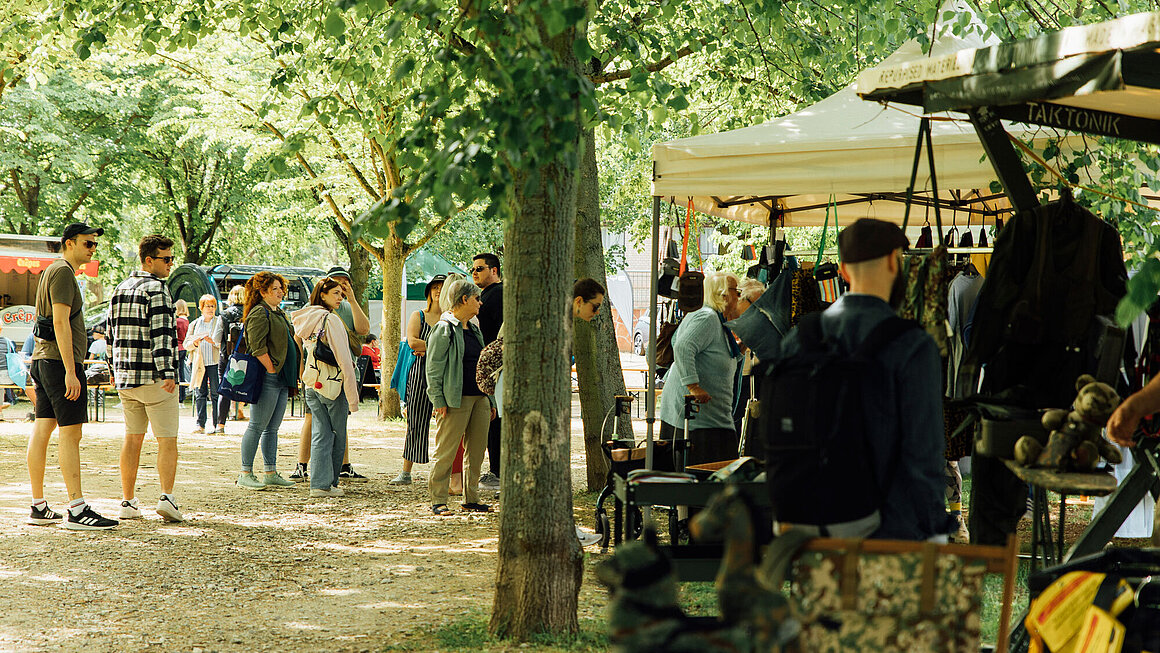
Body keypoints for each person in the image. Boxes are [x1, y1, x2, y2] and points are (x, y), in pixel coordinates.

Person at [776, 218, 952, 541]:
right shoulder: (913, 346)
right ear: (893, 262)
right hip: (891, 536)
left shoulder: (800, 338)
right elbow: (923, 453)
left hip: (811, 531)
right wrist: (934, 529)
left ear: (842, 270)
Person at [26, 222, 117, 530]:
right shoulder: (63, 272)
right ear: (69, 243)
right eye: (88, 243)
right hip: (58, 362)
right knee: (71, 432)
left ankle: (38, 506)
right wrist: (70, 371)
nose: (93, 248)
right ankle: (77, 509)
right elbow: (61, 323)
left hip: (43, 359)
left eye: (94, 244)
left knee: (43, 429)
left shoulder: (52, 271)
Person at [108, 234, 184, 523]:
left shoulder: (120, 288)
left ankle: (127, 502)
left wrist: (114, 371)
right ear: (149, 260)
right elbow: (162, 336)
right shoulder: (158, 291)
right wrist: (169, 373)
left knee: (132, 438)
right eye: (166, 259)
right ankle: (167, 497)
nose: (170, 264)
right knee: (167, 440)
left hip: (127, 378)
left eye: (171, 258)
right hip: (154, 377)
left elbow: (111, 336)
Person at [289, 266, 370, 483]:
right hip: (333, 379)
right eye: (336, 286)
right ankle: (325, 479)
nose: (342, 289)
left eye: (345, 284)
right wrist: (353, 397)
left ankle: (319, 480)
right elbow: (344, 359)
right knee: (333, 431)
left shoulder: (312, 312)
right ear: (324, 290)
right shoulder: (327, 316)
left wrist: (351, 300)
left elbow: (363, 328)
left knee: (322, 432)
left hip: (313, 378)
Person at [659, 271, 743, 466]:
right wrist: (693, 386)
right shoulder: (707, 317)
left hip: (706, 419)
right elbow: (682, 346)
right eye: (736, 291)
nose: (738, 296)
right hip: (699, 422)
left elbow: (716, 357)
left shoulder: (714, 319)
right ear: (722, 294)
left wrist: (743, 346)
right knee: (708, 480)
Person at [426, 278, 494, 515]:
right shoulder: (443, 328)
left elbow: (484, 367)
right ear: (464, 299)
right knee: (445, 451)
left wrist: (490, 400)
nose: (480, 303)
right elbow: (433, 369)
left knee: (476, 452)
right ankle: (438, 500)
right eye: (477, 298)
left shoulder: (474, 329)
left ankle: (471, 499)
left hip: (480, 398)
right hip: (455, 399)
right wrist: (438, 400)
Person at [235, 271, 301, 490]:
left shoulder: (277, 312)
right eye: (275, 288)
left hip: (282, 379)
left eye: (281, 288)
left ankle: (270, 472)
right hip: (268, 378)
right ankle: (245, 472)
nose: (281, 292)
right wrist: (271, 370)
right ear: (262, 292)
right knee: (257, 425)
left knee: (272, 428)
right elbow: (257, 346)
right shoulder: (258, 313)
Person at [390, 275, 445, 485]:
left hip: (445, 374)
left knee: (448, 424)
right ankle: (406, 472)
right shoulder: (419, 315)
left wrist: (427, 347)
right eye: (435, 288)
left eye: (442, 287)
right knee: (415, 421)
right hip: (419, 373)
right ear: (429, 292)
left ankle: (444, 472)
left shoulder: (451, 318)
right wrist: (438, 348)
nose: (438, 291)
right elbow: (413, 343)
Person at [472, 253, 503, 491]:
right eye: (473, 269)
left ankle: (497, 471)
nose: (475, 272)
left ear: (493, 270)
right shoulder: (485, 295)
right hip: (489, 367)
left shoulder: (499, 294)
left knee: (495, 419)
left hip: (497, 368)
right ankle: (495, 469)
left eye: (480, 268)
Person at [184, 294, 221, 434]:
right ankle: (200, 424)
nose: (210, 309)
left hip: (215, 362)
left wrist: (214, 342)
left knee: (216, 393)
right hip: (200, 363)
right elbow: (186, 343)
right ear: (201, 308)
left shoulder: (218, 322)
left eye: (212, 306)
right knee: (200, 393)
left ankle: (218, 423)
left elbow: (222, 343)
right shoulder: (195, 324)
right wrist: (194, 343)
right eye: (208, 306)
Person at [213, 284, 246, 431]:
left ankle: (220, 424)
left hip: (227, 357)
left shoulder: (224, 315)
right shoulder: (251, 313)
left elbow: (216, 338)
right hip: (248, 358)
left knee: (225, 389)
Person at [174, 299, 190, 403]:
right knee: (182, 373)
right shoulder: (187, 321)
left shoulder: (178, 321)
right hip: (184, 348)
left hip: (178, 348)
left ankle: (179, 397)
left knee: (177, 373)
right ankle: (182, 397)